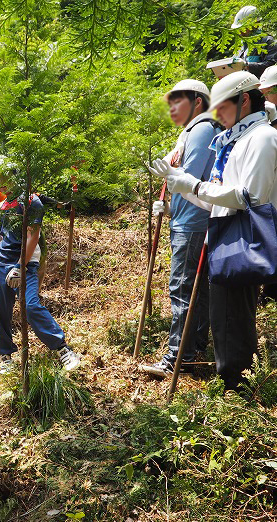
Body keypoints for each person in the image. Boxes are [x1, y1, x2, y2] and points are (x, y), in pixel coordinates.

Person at [150, 72, 277, 391]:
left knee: (235, 317)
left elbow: (250, 197)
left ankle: (240, 389)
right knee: (223, 315)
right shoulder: (241, 138)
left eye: (222, 108)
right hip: (225, 232)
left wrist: (192, 184)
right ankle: (232, 383)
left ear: (244, 100)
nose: (218, 116)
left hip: (244, 236)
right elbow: (219, 198)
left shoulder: (262, 137)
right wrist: (182, 188)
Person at [140, 80, 221, 379]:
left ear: (197, 102)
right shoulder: (192, 130)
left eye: (179, 101)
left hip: (193, 224)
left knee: (183, 289)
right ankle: (193, 350)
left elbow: (191, 179)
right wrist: (170, 207)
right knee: (195, 292)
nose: (173, 108)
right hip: (187, 219)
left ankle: (177, 357)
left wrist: (174, 180)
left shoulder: (201, 128)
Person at [0, 175, 81, 373]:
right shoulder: (2, 207)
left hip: (26, 263)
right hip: (1, 264)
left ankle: (62, 348)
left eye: (6, 177)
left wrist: (20, 266)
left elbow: (34, 235)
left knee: (30, 305)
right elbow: (0, 237)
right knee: (0, 310)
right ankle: (5, 354)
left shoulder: (31, 201)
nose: (2, 183)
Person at [232, 6, 277, 77]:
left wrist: (247, 66)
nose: (240, 32)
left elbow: (272, 67)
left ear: (255, 25)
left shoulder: (268, 42)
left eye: (243, 28)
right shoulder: (241, 48)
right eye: (238, 29)